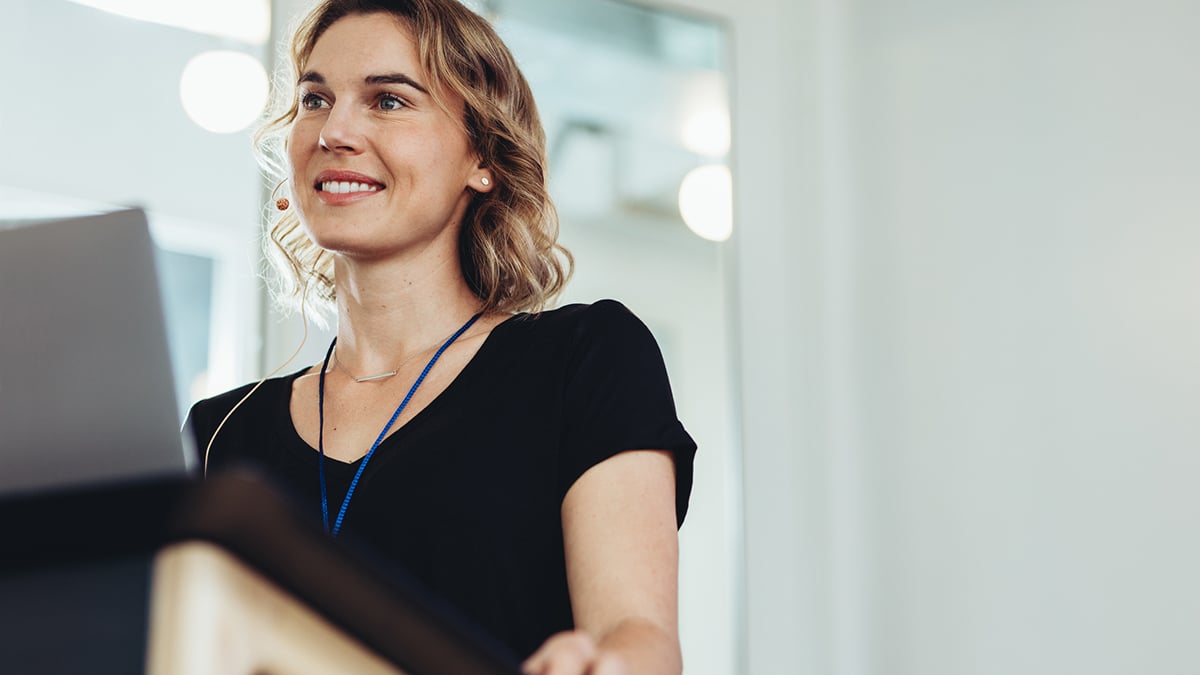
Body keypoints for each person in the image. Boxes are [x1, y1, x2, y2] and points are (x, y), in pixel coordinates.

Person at [185, 1, 696, 673]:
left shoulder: (583, 359)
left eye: (388, 100)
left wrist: (607, 664)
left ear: (481, 157)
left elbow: (638, 635)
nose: (334, 131)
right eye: (315, 99)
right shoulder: (222, 432)